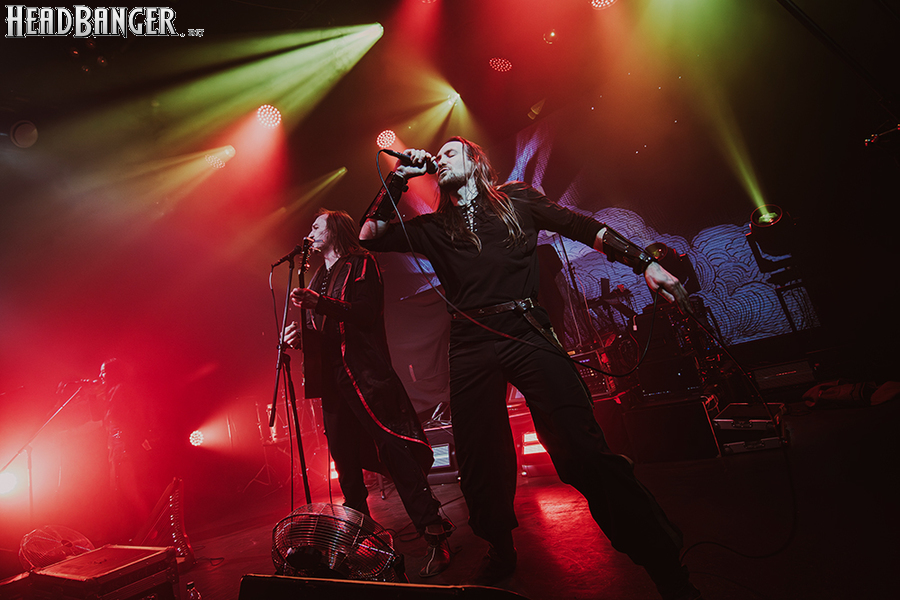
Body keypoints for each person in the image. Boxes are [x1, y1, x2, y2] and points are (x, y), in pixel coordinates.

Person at [359, 137, 702, 600]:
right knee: (479, 459)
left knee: (583, 449)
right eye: (438, 156)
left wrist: (646, 263)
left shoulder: (516, 199)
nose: (440, 158)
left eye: (451, 152)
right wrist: (400, 177)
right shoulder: (435, 225)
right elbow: (369, 235)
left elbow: (582, 227)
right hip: (470, 341)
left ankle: (666, 567)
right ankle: (500, 548)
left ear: (476, 162)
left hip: (525, 328)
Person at [283, 208, 453, 578]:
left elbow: (364, 312)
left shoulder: (361, 263)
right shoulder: (319, 276)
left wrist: (318, 303)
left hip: (366, 375)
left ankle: (434, 533)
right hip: (334, 381)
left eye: (316, 225)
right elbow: (326, 332)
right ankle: (357, 545)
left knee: (395, 451)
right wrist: (300, 339)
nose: (310, 230)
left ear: (335, 230)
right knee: (345, 464)